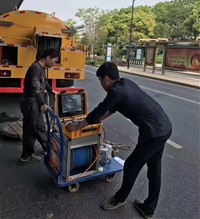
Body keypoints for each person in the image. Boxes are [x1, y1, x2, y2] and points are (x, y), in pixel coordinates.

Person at [66, 62, 172, 219]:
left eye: (101, 81)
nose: (101, 84)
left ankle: (119, 199)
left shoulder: (116, 92)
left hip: (153, 133)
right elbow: (112, 109)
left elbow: (100, 110)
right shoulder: (125, 84)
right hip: (164, 127)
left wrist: (77, 126)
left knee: (131, 165)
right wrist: (96, 122)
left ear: (107, 78)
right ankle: (149, 208)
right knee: (154, 169)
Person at [20, 48, 59, 163]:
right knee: (30, 129)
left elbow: (44, 82)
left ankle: (48, 148)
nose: (54, 64)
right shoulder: (35, 68)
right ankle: (26, 155)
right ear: (48, 58)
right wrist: (43, 104)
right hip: (31, 102)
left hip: (35, 101)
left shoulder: (42, 68)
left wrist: (51, 91)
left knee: (40, 127)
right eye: (54, 61)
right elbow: (35, 89)